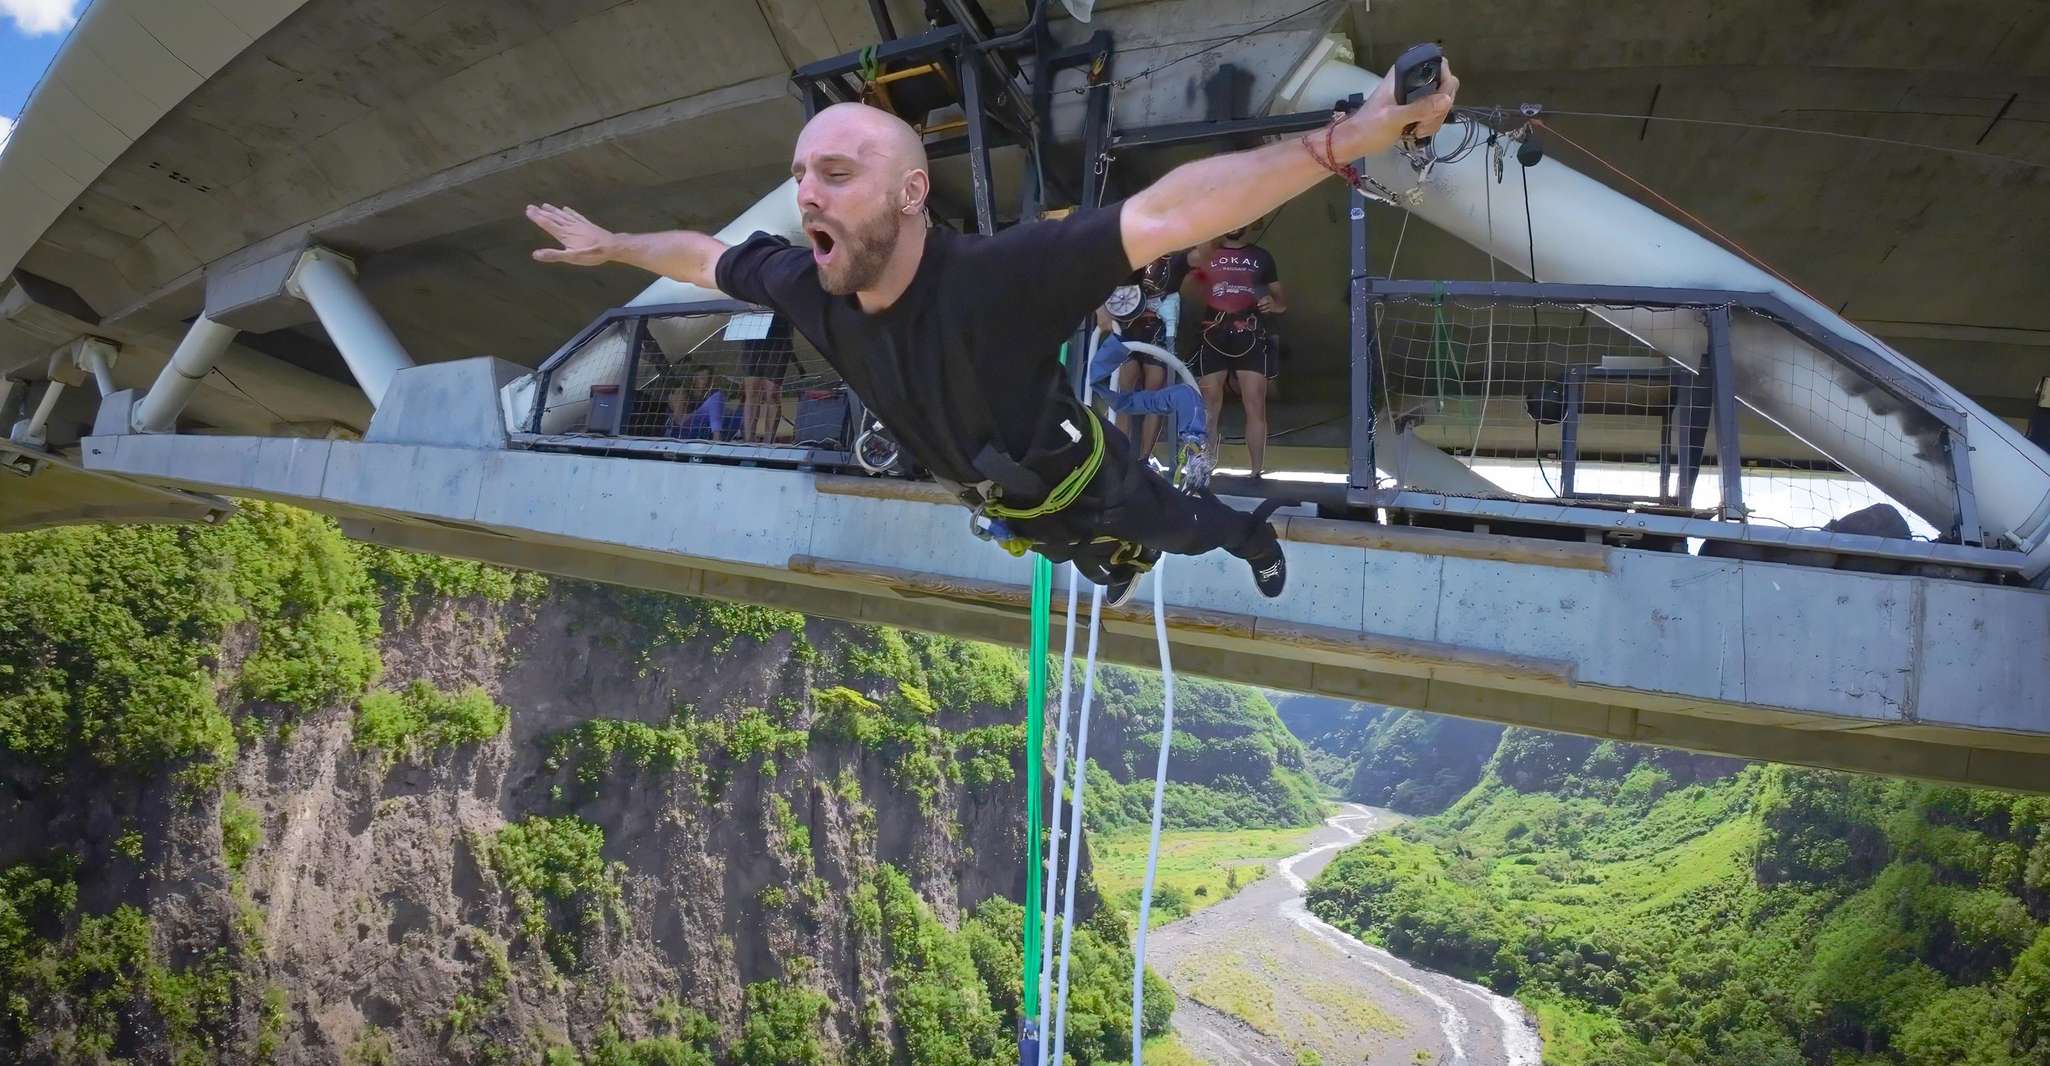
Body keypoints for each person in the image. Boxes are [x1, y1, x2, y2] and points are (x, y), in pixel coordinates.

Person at [526, 61, 1458, 602]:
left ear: (911, 192)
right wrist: (613, 247)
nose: (807, 191)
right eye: (803, 173)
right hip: (1011, 504)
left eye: (837, 173)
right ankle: (1107, 560)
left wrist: (1358, 135)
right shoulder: (805, 282)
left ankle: (1255, 538)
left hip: (1086, 469)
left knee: (1177, 524)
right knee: (1074, 554)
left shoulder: (1000, 278)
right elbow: (703, 255)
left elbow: (1173, 214)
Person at [1193, 226, 1286, 478]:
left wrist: (1273, 304)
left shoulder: (1262, 256)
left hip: (1250, 333)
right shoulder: (1208, 253)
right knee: (1208, 406)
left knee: (1255, 403)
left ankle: (1256, 472)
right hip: (1213, 334)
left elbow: (1282, 301)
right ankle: (1205, 468)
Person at [1094, 251, 1190, 461]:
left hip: (1158, 329)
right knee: (1123, 390)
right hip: (1128, 328)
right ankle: (1120, 456)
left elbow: (1203, 254)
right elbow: (1104, 276)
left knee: (1155, 393)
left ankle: (1144, 458)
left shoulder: (1178, 258)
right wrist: (1102, 307)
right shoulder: (1133, 253)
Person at [739, 313, 795, 443]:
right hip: (752, 327)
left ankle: (768, 443)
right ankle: (748, 442)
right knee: (751, 392)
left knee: (772, 394)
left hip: (780, 329)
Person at [665, 364, 741, 441]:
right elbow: (679, 420)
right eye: (702, 378)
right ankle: (717, 439)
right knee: (717, 397)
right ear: (694, 379)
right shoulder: (682, 392)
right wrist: (704, 414)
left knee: (738, 414)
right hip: (682, 435)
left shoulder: (707, 395)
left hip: (704, 432)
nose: (706, 382)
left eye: (708, 379)